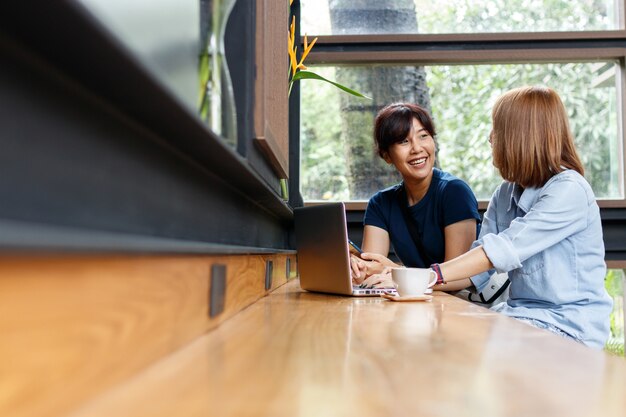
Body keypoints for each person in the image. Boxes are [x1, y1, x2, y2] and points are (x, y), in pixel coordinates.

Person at [365, 86, 612, 349]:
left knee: (449, 344)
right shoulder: (505, 194)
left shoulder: (569, 190)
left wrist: (419, 277)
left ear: (519, 137)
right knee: (433, 335)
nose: (490, 138)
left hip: (568, 328)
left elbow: (498, 251)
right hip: (520, 317)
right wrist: (406, 279)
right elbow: (478, 271)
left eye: (497, 129)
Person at [351, 102, 482, 293]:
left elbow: (459, 278)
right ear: (386, 155)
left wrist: (397, 272)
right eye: (404, 141)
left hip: (461, 302)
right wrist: (357, 268)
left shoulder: (455, 192)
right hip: (416, 300)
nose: (417, 148)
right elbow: (372, 271)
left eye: (423, 136)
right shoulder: (380, 204)